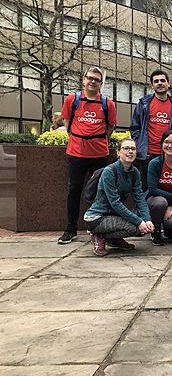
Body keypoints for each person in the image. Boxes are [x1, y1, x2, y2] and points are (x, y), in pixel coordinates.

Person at [58, 66, 117, 245]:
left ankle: (98, 229)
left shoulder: (108, 103)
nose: (93, 81)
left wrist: (96, 140)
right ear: (83, 79)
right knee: (74, 190)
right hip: (76, 153)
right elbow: (67, 123)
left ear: (100, 83)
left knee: (100, 192)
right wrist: (79, 138)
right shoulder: (72, 100)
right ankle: (70, 229)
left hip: (99, 153)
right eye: (90, 78)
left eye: (97, 79)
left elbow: (111, 127)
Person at [84, 138, 154, 256]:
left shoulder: (134, 172)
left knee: (144, 227)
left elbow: (140, 198)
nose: (130, 152)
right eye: (126, 148)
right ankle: (99, 235)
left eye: (133, 149)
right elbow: (115, 203)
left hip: (114, 215)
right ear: (118, 152)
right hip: (97, 217)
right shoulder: (109, 171)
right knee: (136, 228)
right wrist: (139, 222)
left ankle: (113, 239)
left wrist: (147, 220)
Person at [130, 70, 172, 192]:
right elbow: (135, 127)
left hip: (169, 156)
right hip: (148, 154)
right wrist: (139, 145)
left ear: (168, 84)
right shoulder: (144, 103)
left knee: (168, 190)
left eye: (163, 80)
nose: (159, 83)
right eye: (156, 81)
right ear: (152, 85)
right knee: (144, 191)